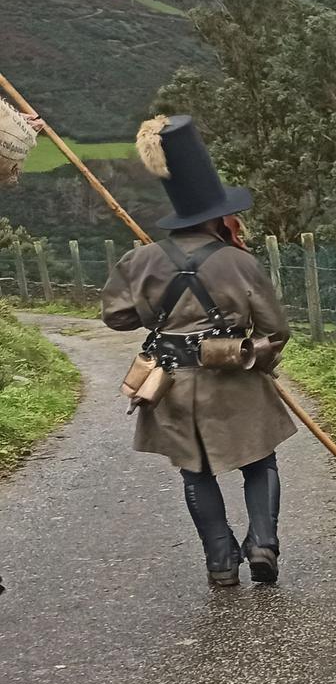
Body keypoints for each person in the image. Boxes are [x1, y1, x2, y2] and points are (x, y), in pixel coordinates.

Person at [102, 116, 294, 587]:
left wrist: (158, 305)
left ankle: (220, 561)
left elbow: (117, 317)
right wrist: (258, 358)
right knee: (259, 461)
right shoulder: (240, 262)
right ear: (217, 216)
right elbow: (276, 329)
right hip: (236, 380)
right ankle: (263, 543)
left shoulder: (141, 260)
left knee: (195, 473)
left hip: (171, 384)